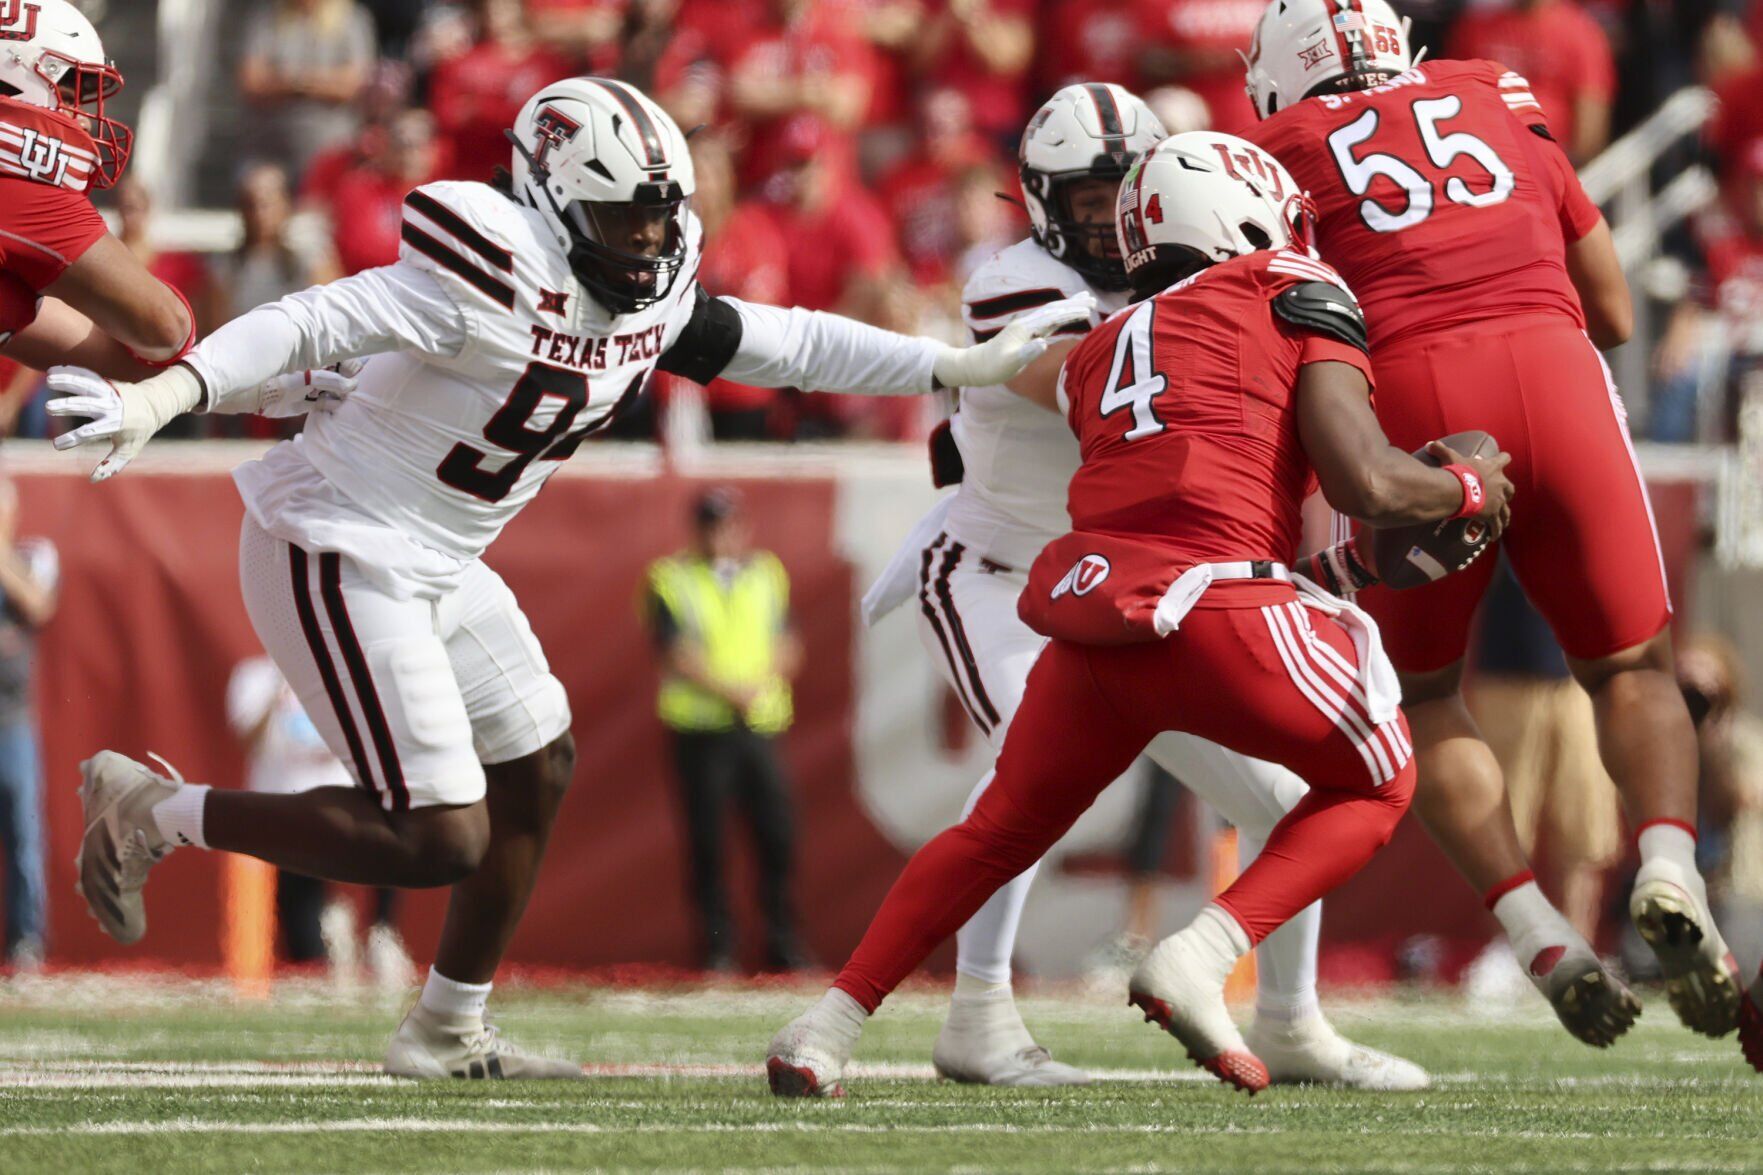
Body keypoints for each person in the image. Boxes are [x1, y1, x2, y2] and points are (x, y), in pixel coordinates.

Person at [48, 76, 1087, 1080]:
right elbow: (309, 322)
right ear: (549, 202)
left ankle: (448, 1025)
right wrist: (167, 397)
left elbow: (785, 342)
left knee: (537, 761)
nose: (646, 240)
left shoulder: (649, 287)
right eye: (621, 217)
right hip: (338, 536)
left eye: (657, 216)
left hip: (443, 555)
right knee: (437, 834)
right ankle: (157, 810)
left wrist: (945, 365)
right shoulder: (490, 266)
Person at [769, 130, 1513, 1097]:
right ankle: (1200, 954)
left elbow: (1186, 486)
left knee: (993, 830)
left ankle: (825, 1026)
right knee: (1377, 781)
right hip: (1212, 608)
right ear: (1245, 214)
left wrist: (1339, 564)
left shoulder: (1099, 347)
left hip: (1098, 624)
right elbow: (1362, 479)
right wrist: (1460, 487)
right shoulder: (1287, 285)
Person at [1241, 0, 1740, 1053]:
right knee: (1630, 666)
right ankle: (1664, 863)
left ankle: (1537, 934)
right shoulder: (1488, 89)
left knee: (1421, 695)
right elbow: (1611, 308)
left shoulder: (1276, 148)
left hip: (1411, 399)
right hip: (1553, 369)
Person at [644, 488, 808, 973]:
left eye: (729, 524)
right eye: (711, 525)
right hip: (701, 729)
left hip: (759, 726)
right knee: (708, 843)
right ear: (696, 530)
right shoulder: (670, 578)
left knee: (777, 836)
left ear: (744, 527)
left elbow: (788, 639)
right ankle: (718, 950)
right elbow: (673, 650)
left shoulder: (767, 573)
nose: (720, 535)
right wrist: (733, 689)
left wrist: (762, 682)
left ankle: (783, 944)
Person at [0, 0, 195, 381]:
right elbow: (167, 330)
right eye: (68, 96)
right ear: (15, 74)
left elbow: (102, 357)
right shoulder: (21, 192)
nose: (85, 124)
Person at [228, 655, 415, 985]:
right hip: (284, 805)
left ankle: (379, 935)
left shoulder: (342, 670)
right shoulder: (255, 676)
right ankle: (324, 958)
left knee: (389, 847)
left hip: (340, 798)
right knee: (301, 909)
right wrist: (277, 690)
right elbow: (246, 738)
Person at [0, 478, 56, 971]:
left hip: (12, 719)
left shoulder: (33, 554)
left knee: (24, 832)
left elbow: (38, 604)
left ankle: (27, 941)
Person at [238, 0, 378, 179]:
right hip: (269, 146)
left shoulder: (352, 18)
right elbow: (252, 82)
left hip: (329, 146)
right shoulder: (267, 15)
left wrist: (292, 81)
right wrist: (318, 82)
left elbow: (355, 85)